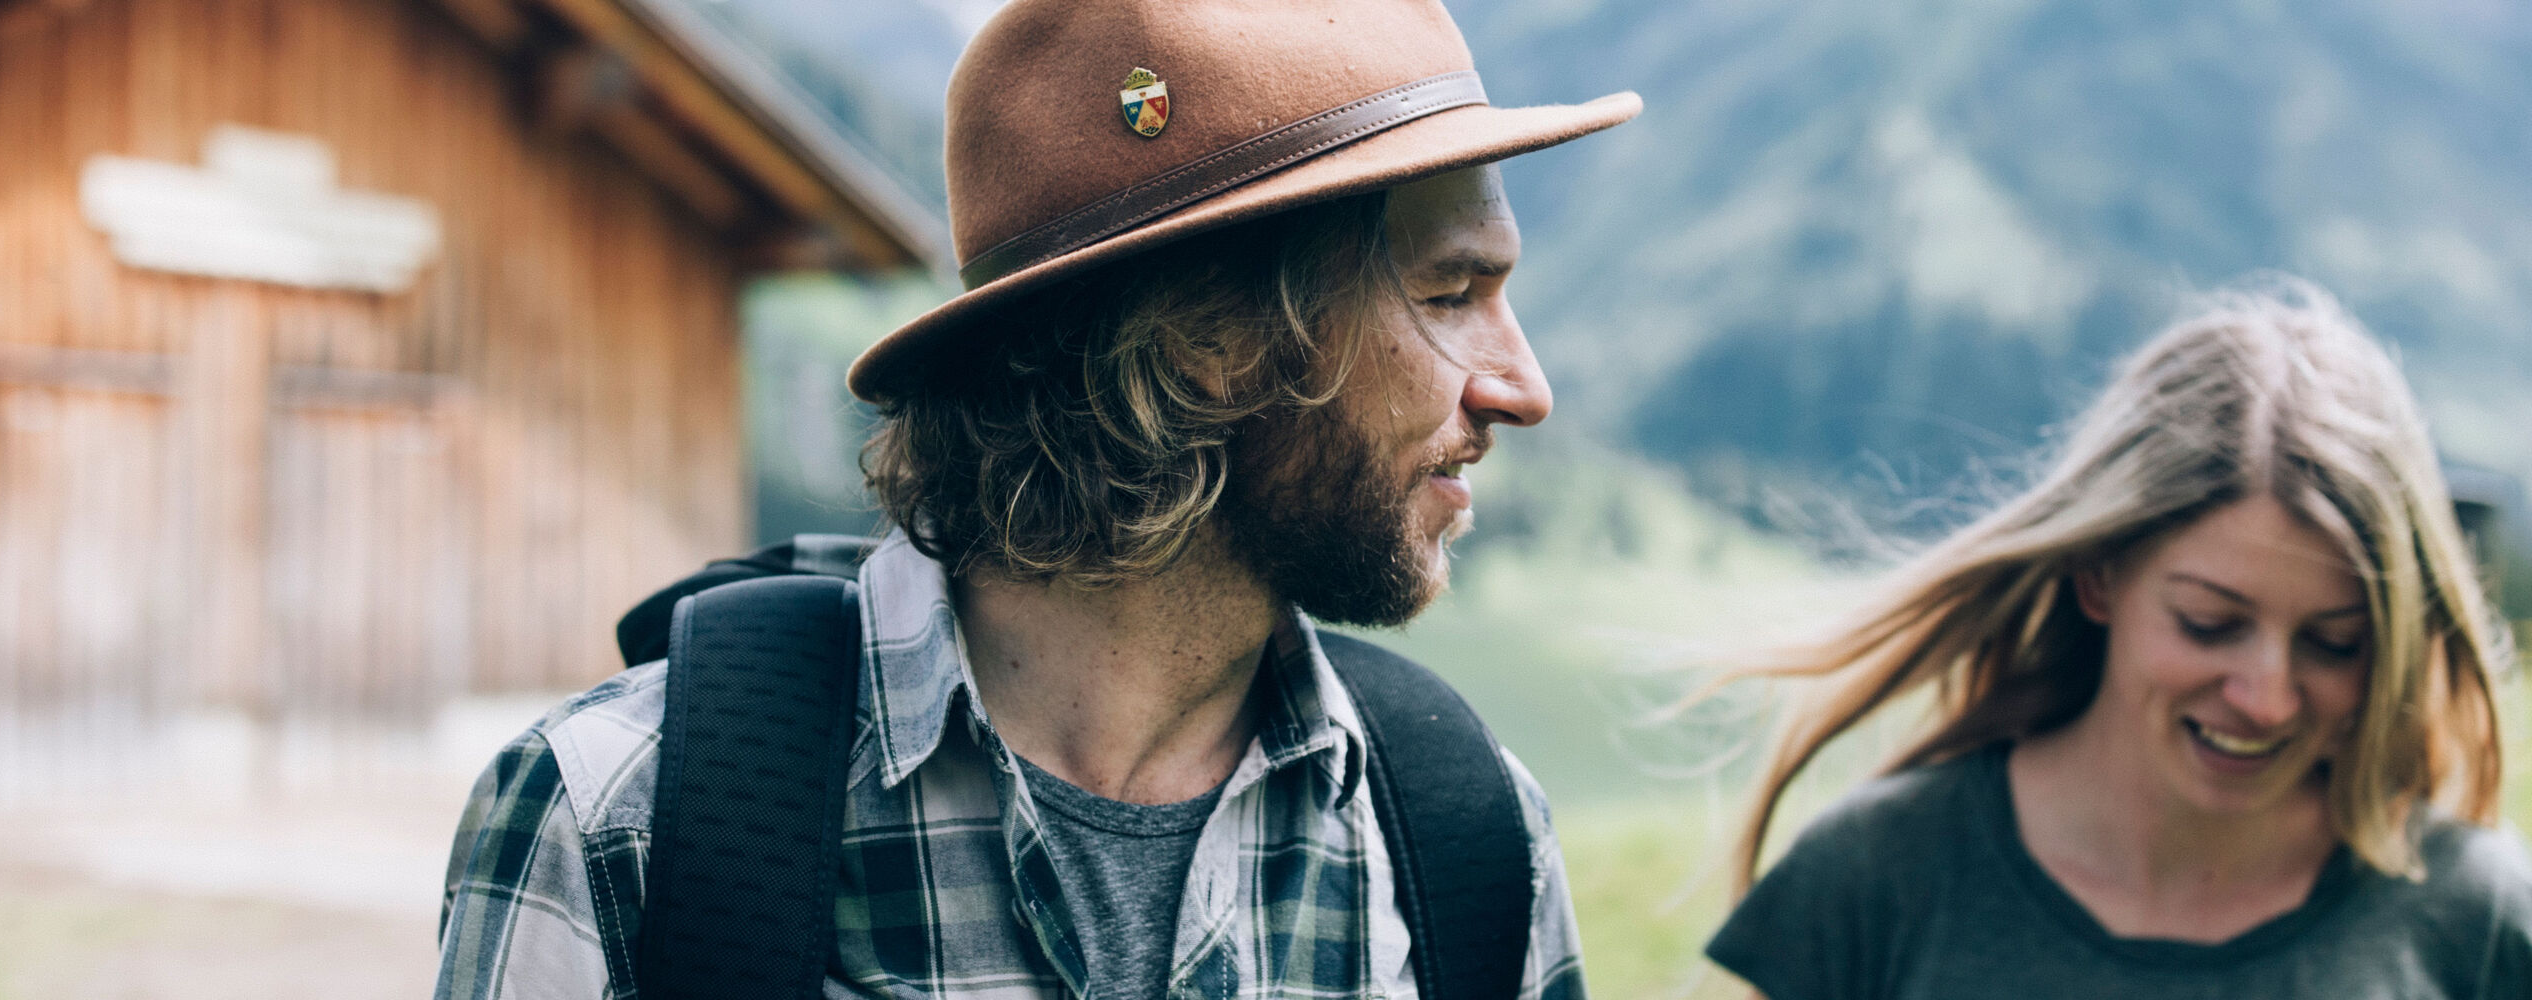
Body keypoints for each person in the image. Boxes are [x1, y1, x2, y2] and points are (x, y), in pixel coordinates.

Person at [430, 1, 1639, 998]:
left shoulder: (1464, 836)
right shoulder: (617, 822)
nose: (1523, 388)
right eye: (1450, 291)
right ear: (1208, 340)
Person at [1703, 283, 2532, 999]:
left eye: (2334, 644)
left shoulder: (2469, 915)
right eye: (2210, 624)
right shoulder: (1877, 880)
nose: (2266, 697)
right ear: (2098, 574)